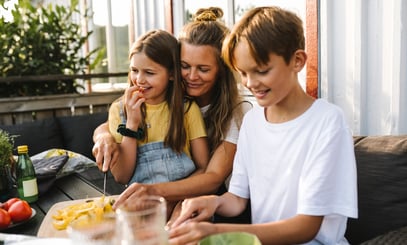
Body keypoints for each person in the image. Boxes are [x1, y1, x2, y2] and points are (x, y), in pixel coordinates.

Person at [168, 6, 358, 245]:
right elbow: (237, 199)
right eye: (243, 73)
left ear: (297, 61)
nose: (250, 83)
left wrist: (214, 232)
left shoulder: (328, 122)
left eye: (261, 71)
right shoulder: (252, 121)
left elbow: (306, 227)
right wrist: (213, 202)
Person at [92, 7, 251, 221]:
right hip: (159, 196)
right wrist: (104, 136)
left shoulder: (236, 110)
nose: (192, 76)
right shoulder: (169, 94)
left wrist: (156, 194)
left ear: (221, 70)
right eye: (185, 66)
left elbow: (212, 176)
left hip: (222, 199)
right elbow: (116, 122)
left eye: (203, 69)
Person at [107, 29, 209, 194]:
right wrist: (132, 123)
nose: (139, 80)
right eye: (134, 70)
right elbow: (121, 176)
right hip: (142, 204)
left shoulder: (187, 109)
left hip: (183, 200)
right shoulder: (118, 111)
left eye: (149, 72)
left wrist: (176, 202)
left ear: (171, 74)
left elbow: (204, 168)